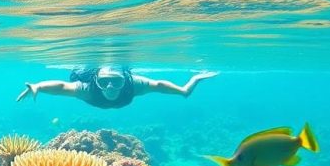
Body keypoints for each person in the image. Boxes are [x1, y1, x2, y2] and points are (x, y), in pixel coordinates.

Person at [16, 66, 218, 109]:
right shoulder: (88, 89)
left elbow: (158, 85)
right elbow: (62, 86)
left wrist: (187, 88)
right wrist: (38, 87)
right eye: (104, 82)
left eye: (117, 81)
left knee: (182, 93)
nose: (111, 86)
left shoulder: (133, 85)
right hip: (87, 76)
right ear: (96, 81)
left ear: (125, 80)